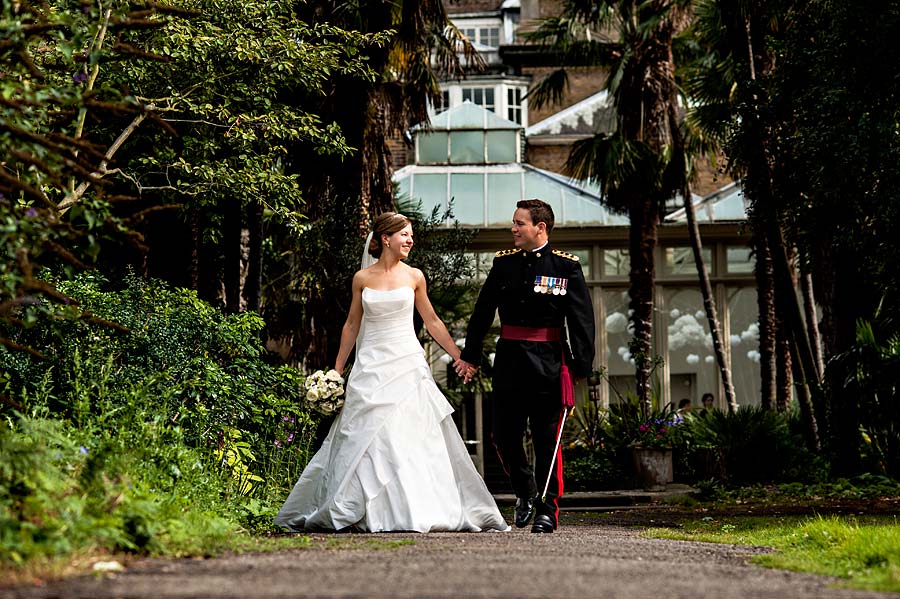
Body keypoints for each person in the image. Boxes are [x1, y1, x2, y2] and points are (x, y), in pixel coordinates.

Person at [274, 212, 509, 533]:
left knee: (408, 434)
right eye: (405, 235)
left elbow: (433, 321)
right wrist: (336, 371)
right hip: (370, 366)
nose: (410, 240)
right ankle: (364, 509)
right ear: (386, 238)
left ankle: (414, 507)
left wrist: (461, 357)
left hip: (407, 364)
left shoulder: (414, 276)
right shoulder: (362, 278)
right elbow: (352, 324)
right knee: (366, 436)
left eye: (411, 235)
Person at [455, 199, 596, 534]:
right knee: (502, 435)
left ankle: (548, 510)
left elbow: (582, 322)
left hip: (549, 363)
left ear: (540, 227)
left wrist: (580, 366)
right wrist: (470, 356)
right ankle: (526, 491)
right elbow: (482, 312)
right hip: (509, 361)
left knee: (548, 439)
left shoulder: (566, 267)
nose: (514, 229)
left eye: (519, 223)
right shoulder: (504, 265)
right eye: (514, 223)